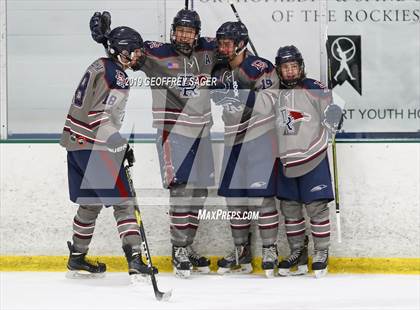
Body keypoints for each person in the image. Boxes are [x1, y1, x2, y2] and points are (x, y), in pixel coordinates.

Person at [89, 9, 217, 278]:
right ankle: (179, 248)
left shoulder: (209, 50)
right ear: (172, 31)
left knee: (200, 192)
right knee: (181, 191)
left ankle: (187, 245)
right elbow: (129, 46)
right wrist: (107, 36)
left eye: (189, 31)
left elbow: (232, 49)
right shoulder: (156, 53)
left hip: (202, 131)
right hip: (173, 131)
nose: (183, 35)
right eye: (179, 30)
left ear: (196, 33)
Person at [60, 26, 158, 281]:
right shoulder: (119, 77)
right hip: (95, 146)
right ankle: (135, 259)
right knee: (124, 203)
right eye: (134, 51)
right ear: (122, 52)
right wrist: (119, 144)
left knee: (89, 204)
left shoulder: (99, 64)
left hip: (75, 145)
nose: (138, 56)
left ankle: (77, 257)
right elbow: (100, 118)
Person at [210, 22, 280, 277]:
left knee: (263, 197)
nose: (222, 48)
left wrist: (245, 96)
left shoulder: (259, 67)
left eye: (227, 43)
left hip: (260, 138)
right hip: (232, 140)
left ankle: (270, 250)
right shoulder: (218, 70)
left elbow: (273, 99)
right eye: (220, 43)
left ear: (241, 44)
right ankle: (242, 252)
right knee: (234, 198)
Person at [273, 45, 343, 278]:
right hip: (286, 160)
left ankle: (321, 252)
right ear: (279, 70)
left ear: (301, 67)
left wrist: (334, 115)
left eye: (294, 66)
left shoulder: (314, 88)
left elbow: (334, 110)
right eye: (285, 68)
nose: (290, 72)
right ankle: (298, 252)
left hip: (313, 156)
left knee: (316, 206)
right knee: (289, 209)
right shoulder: (273, 92)